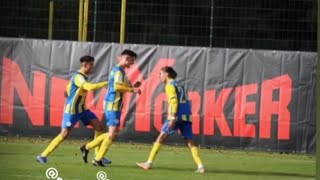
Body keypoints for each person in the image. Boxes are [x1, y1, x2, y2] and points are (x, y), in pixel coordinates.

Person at [37, 55, 110, 164]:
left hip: (83, 110)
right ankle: (43, 155)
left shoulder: (82, 77)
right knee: (64, 134)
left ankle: (98, 156)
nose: (92, 67)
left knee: (99, 127)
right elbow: (89, 87)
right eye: (91, 65)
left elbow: (67, 90)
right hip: (72, 111)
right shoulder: (78, 77)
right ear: (84, 65)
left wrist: (70, 91)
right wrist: (107, 83)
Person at [136, 66, 205, 173]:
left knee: (161, 137)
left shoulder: (169, 85)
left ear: (167, 74)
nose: (160, 76)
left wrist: (173, 117)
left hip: (176, 116)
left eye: (161, 74)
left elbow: (173, 102)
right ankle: (200, 166)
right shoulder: (181, 85)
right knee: (190, 141)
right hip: (186, 116)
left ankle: (148, 163)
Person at [80, 49, 141, 166]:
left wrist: (133, 86)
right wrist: (132, 89)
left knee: (113, 133)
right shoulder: (118, 71)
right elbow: (117, 87)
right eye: (131, 61)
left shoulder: (121, 72)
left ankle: (95, 156)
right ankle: (90, 151)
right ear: (126, 58)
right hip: (112, 104)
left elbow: (123, 86)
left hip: (115, 105)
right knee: (112, 134)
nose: (132, 63)